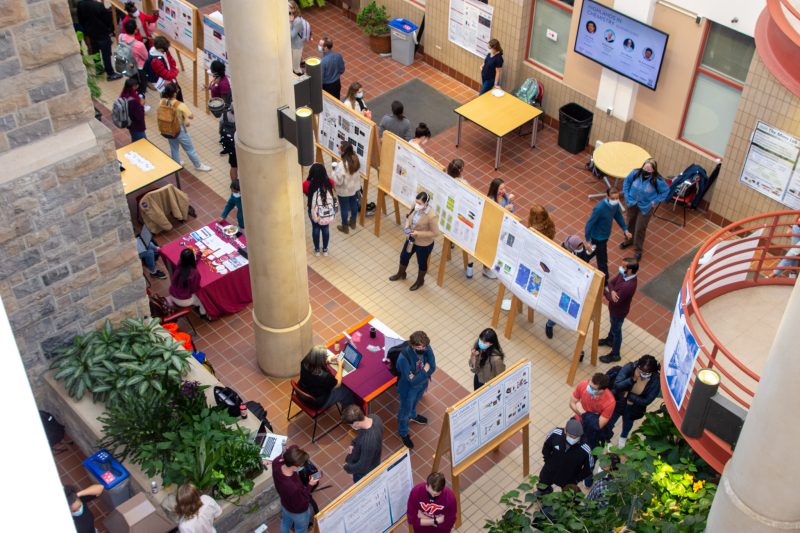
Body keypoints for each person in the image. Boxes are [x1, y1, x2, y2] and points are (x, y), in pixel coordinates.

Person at [545, 236, 595, 340]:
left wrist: (590, 252)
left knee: (568, 305)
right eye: (579, 246)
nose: (581, 247)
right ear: (572, 246)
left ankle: (560, 320)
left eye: (582, 245)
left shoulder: (580, 250)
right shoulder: (564, 252)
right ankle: (550, 324)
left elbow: (585, 261)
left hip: (575, 282)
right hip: (563, 282)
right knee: (559, 305)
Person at [388, 191, 440, 291]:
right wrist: (407, 226)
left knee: (422, 263)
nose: (417, 205)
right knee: (404, 256)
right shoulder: (414, 206)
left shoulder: (431, 216)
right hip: (411, 239)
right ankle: (401, 273)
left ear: (426, 203)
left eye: (419, 203)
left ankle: (420, 281)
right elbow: (409, 217)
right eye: (416, 202)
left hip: (424, 244)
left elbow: (435, 233)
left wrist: (418, 233)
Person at [621, 158, 668, 261]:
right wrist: (627, 196)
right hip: (632, 203)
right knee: (629, 223)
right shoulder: (635, 173)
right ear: (642, 166)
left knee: (640, 228)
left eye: (649, 169)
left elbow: (665, 192)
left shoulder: (657, 180)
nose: (646, 170)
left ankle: (638, 250)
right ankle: (628, 240)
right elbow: (626, 183)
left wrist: (654, 202)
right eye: (645, 167)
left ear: (654, 171)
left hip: (645, 207)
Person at [395, 330, 436, 449]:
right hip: (408, 390)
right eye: (419, 346)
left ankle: (413, 415)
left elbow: (432, 366)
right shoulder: (404, 358)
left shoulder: (427, 347)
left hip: (422, 385)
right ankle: (403, 432)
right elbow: (411, 381)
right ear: (412, 345)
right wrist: (424, 371)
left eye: (424, 346)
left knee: (415, 402)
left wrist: (417, 376)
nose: (423, 349)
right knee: (404, 411)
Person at [609, 355, 661, 447]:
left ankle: (623, 438)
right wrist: (633, 379)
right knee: (610, 421)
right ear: (638, 366)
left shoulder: (655, 380)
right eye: (642, 371)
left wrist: (629, 396)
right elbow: (617, 385)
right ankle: (606, 438)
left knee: (628, 423)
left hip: (634, 407)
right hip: (619, 401)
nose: (644, 374)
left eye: (647, 373)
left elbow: (647, 400)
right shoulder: (630, 367)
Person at [160, 83, 211, 172]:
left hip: (168, 128)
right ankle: (198, 165)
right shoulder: (180, 105)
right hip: (179, 129)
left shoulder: (162, 101)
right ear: (175, 93)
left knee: (174, 148)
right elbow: (191, 116)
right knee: (190, 149)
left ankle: (176, 163)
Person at [585, 187, 632, 284]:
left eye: (617, 198)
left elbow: (618, 215)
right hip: (598, 237)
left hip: (605, 235)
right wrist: (588, 240)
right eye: (613, 198)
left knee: (594, 251)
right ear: (607, 197)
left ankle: (582, 259)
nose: (616, 201)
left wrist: (625, 230)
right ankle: (604, 282)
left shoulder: (614, 205)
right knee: (602, 260)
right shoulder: (599, 208)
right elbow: (589, 224)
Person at [535, 419, 593, 496]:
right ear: (565, 430)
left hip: (569, 478)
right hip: (549, 470)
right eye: (570, 436)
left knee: (567, 496)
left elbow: (588, 469)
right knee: (542, 483)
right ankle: (543, 492)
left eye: (576, 437)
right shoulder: (555, 433)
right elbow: (546, 447)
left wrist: (576, 479)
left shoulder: (586, 449)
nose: (573, 439)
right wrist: (548, 461)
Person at [599, 260, 639, 364]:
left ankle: (615, 354)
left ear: (629, 270)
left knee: (617, 331)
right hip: (614, 309)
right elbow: (611, 282)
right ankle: (610, 340)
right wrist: (612, 291)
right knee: (614, 326)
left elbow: (615, 301)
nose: (620, 267)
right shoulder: (623, 274)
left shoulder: (628, 286)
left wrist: (604, 291)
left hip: (618, 311)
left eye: (623, 266)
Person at [272, 446, 318, 533]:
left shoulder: (277, 463)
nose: (302, 466)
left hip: (285, 504)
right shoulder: (293, 486)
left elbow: (292, 448)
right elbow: (303, 501)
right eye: (301, 465)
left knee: (285, 523)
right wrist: (310, 485)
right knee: (301, 530)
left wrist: (294, 452)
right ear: (294, 466)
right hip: (298, 512)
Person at [297, 345, 355, 409]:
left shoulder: (304, 362)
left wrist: (329, 359)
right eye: (324, 357)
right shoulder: (325, 376)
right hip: (317, 402)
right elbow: (338, 384)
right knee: (346, 392)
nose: (326, 357)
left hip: (302, 393)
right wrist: (340, 366)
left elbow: (315, 362)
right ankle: (349, 413)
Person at [569, 372, 615, 450]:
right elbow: (572, 403)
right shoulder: (583, 384)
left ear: (602, 390)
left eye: (593, 388)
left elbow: (598, 425)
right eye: (589, 384)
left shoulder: (610, 402)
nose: (588, 388)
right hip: (580, 420)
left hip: (594, 431)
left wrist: (582, 412)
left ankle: (605, 441)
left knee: (591, 447)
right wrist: (586, 416)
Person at [77, 0, 121, 81]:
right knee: (106, 54)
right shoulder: (98, 5)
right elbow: (107, 20)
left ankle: (99, 69)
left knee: (95, 52)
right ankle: (110, 73)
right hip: (102, 33)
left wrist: (86, 31)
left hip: (90, 33)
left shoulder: (80, 4)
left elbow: (80, 20)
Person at [342, 404, 384, 483]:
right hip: (373, 459)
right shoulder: (374, 417)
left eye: (350, 425)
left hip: (365, 472)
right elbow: (361, 435)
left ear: (356, 423)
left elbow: (362, 466)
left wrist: (347, 467)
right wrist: (353, 444)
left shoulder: (369, 442)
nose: (351, 427)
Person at [447, 159, 474, 278]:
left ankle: (450, 242)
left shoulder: (445, 178)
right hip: (459, 211)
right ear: (460, 170)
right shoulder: (462, 183)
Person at [483, 178, 515, 279]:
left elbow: (512, 209)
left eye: (504, 188)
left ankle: (494, 267)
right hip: (493, 229)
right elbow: (492, 216)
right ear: (495, 189)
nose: (503, 191)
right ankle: (486, 269)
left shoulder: (505, 196)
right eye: (501, 189)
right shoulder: (491, 200)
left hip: (504, 228)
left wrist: (510, 204)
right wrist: (505, 210)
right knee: (490, 248)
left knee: (499, 248)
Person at [306, 163, 337, 256]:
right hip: (327, 211)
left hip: (314, 211)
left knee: (315, 229)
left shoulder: (310, 185)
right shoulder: (329, 182)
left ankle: (316, 249)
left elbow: (308, 196)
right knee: (325, 229)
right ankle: (325, 249)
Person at [169, 248, 207, 318]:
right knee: (203, 299)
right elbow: (195, 289)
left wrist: (200, 253)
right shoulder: (194, 273)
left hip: (172, 294)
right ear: (192, 258)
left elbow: (191, 262)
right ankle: (203, 313)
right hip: (183, 300)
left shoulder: (180, 263)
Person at [333, 142, 361, 234]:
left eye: (340, 147)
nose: (338, 148)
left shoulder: (341, 165)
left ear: (344, 151)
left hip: (344, 190)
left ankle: (345, 226)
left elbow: (339, 181)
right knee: (354, 204)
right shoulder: (356, 159)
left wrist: (333, 172)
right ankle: (353, 222)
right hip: (354, 188)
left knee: (344, 208)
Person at [119, 19, 150, 101]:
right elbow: (146, 57)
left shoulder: (121, 37)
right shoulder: (139, 45)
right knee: (141, 87)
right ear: (135, 30)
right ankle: (140, 103)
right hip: (138, 69)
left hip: (126, 65)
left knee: (132, 83)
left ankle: (131, 96)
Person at [120, 77, 146, 142]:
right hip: (137, 126)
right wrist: (141, 105)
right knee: (141, 142)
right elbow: (139, 116)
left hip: (130, 124)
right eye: (136, 85)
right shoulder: (133, 101)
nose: (138, 87)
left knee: (135, 138)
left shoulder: (124, 94)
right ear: (133, 87)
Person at [289, 1, 306, 75]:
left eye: (289, 7)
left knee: (296, 68)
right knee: (294, 60)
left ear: (294, 8)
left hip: (297, 46)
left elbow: (292, 36)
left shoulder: (297, 21)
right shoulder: (290, 16)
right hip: (292, 44)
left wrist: (289, 23)